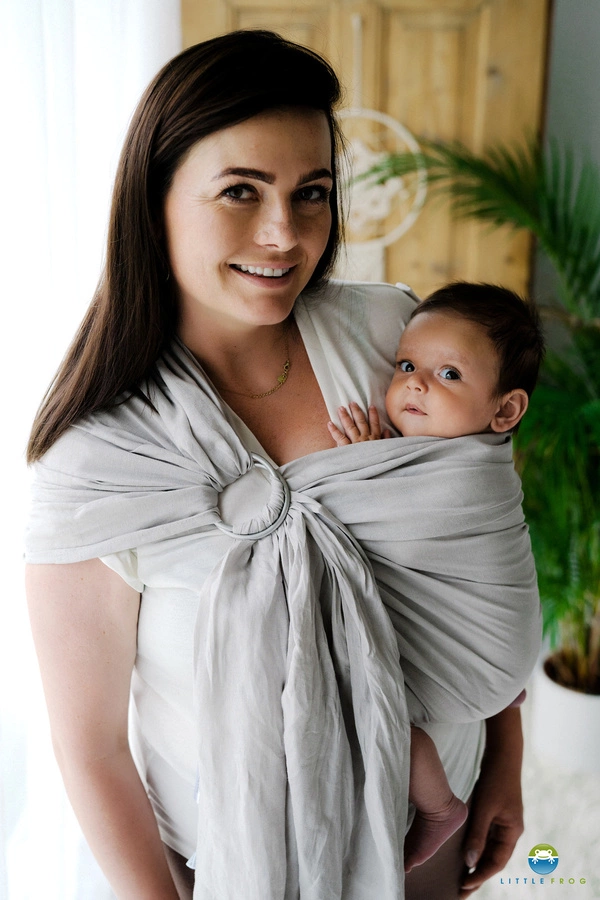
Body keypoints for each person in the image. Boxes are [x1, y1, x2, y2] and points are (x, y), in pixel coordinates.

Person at [23, 31, 541, 900]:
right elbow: (93, 750)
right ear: (154, 198)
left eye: (312, 194)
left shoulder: (394, 340)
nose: (284, 235)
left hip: (431, 829)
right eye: (240, 190)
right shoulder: (98, 462)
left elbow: (477, 552)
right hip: (237, 863)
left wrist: (504, 755)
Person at [328, 281, 545, 874]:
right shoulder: (443, 456)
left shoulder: (475, 477)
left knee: (356, 692)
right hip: (496, 654)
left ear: (505, 411)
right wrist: (384, 461)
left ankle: (438, 805)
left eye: (448, 374)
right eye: (406, 366)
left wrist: (364, 465)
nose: (416, 384)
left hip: (483, 658)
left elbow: (368, 525)